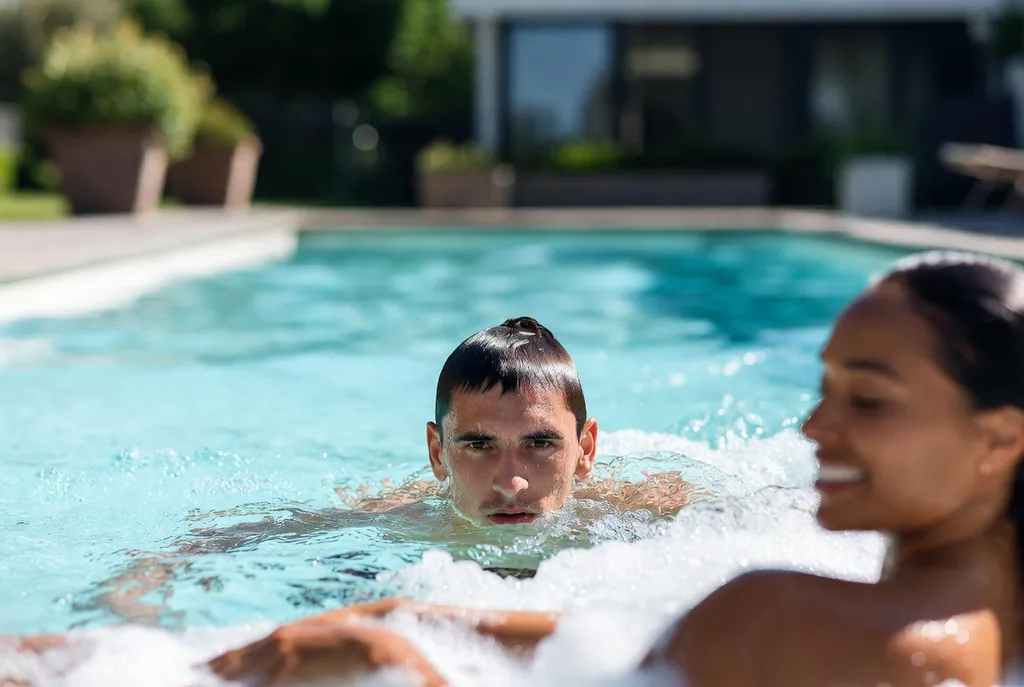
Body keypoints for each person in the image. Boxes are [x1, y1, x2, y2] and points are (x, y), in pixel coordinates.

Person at [196, 250, 1024, 687]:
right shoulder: (987, 613)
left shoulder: (788, 613)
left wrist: (398, 660)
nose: (813, 423)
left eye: (869, 401)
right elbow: (643, 651)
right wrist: (399, 615)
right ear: (439, 451)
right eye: (825, 387)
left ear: (999, 439)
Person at [77, 316, 699, 624]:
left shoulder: (644, 508)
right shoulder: (395, 517)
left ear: (586, 451)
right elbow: (232, 536)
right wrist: (135, 592)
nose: (513, 481)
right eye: (478, 446)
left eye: (540, 445)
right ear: (436, 455)